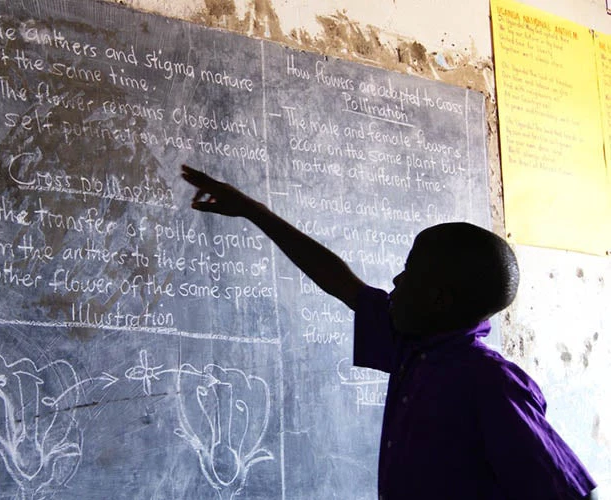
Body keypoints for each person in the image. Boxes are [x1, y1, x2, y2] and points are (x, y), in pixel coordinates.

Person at [180, 165, 598, 500]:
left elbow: (569, 488)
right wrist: (255, 211)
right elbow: (339, 281)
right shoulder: (415, 345)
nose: (395, 281)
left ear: (439, 300)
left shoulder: (488, 382)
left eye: (410, 271)